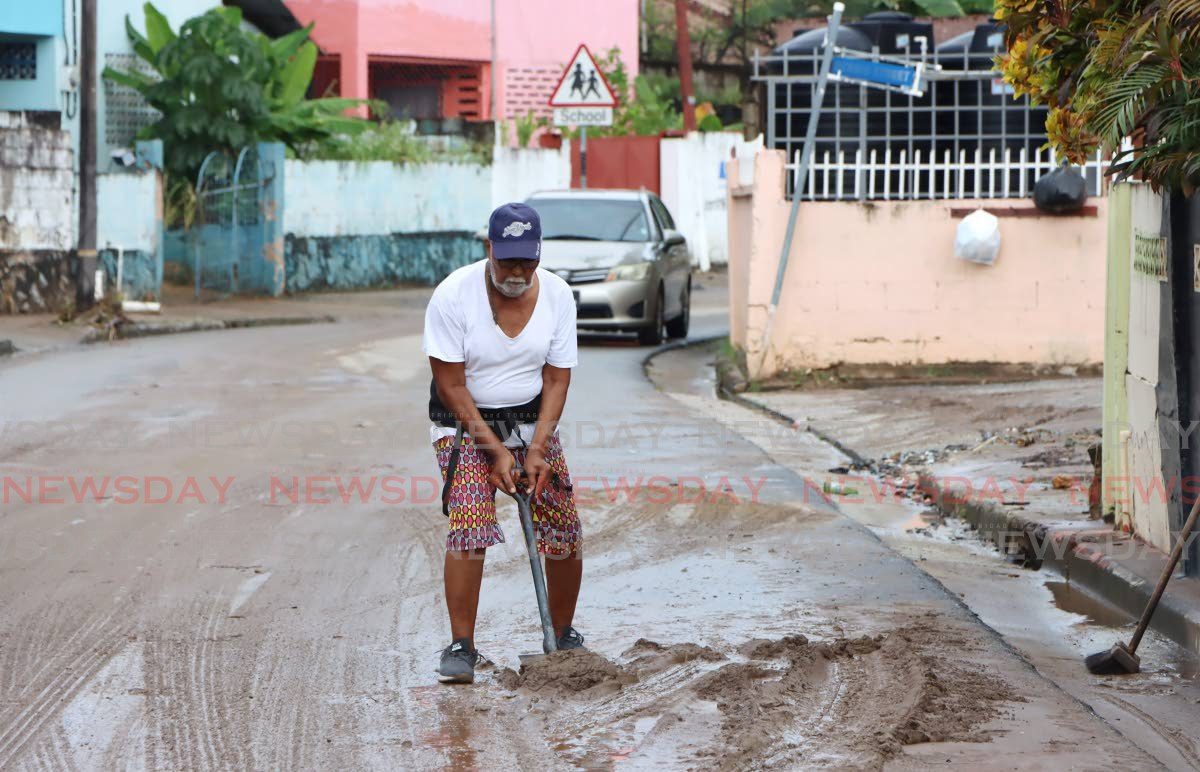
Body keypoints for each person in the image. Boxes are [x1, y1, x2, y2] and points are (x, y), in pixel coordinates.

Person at [423, 202, 584, 685]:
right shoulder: (453, 296)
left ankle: (563, 633)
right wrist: (493, 450)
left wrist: (536, 450)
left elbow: (557, 380)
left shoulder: (557, 295)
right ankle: (461, 645)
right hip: (463, 423)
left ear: (539, 253)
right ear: (488, 248)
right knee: (471, 520)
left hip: (533, 422)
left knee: (562, 524)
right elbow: (450, 385)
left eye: (526, 261)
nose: (517, 272)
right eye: (507, 259)